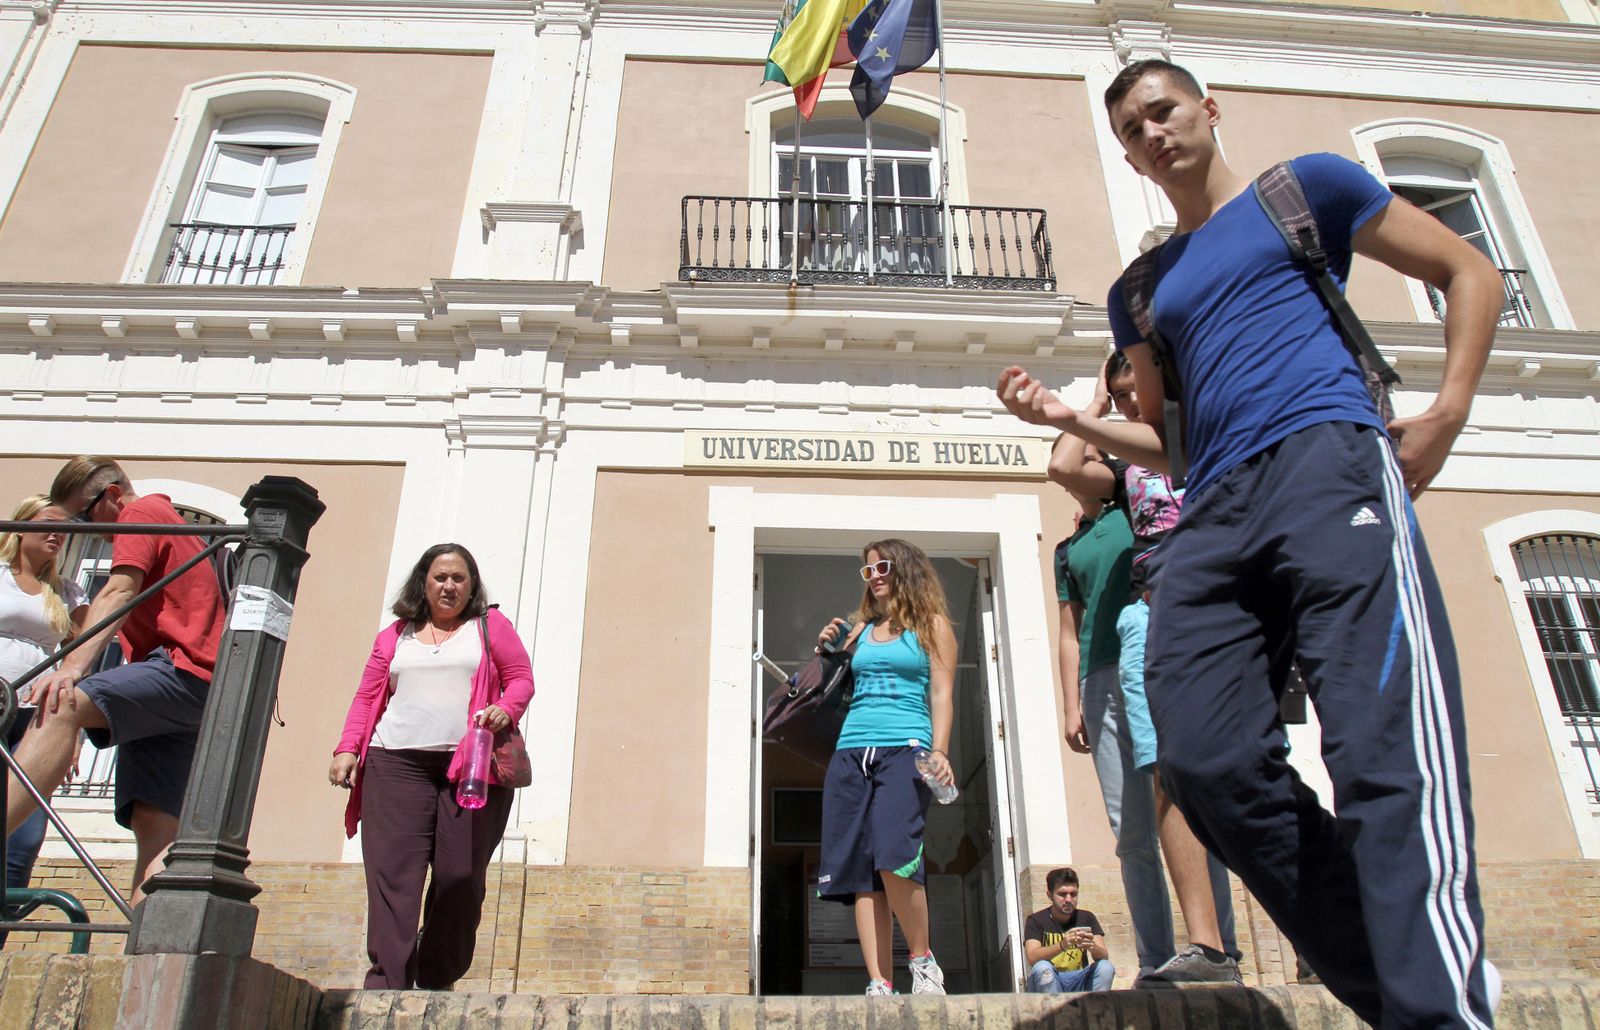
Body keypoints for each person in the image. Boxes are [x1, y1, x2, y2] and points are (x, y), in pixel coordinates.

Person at [998, 58, 1500, 1027]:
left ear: (1206, 108)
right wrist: (1072, 416)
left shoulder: (1304, 188)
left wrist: (1450, 408)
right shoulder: (1139, 293)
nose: (1151, 134)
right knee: (1200, 758)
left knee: (1380, 753)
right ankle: (1397, 985)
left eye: (1162, 111)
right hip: (1214, 506)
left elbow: (1464, 270)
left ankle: (1437, 1010)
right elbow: (1170, 443)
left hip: (1329, 464)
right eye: (1131, 131)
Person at [1050, 355, 1240, 986]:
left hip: (1194, 626)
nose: (1130, 403)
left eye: (1138, 391)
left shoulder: (1133, 500)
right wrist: (1096, 403)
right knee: (1136, 826)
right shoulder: (1079, 533)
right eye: (1122, 393)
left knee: (1197, 791)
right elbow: (1069, 630)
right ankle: (1166, 957)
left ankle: (1221, 947)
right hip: (1119, 663)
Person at [7, 458, 226, 904]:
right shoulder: (164, 517)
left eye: (83, 517)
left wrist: (72, 670)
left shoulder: (139, 513)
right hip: (184, 689)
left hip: (182, 671)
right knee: (156, 824)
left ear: (111, 496)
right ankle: (148, 952)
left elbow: (119, 591)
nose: (82, 530)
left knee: (62, 703)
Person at [330, 543, 535, 990]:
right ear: (423, 582)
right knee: (393, 878)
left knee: (460, 876)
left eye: (459, 578)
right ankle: (388, 982)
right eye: (440, 577)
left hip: (471, 769)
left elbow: (521, 678)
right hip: (394, 763)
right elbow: (368, 696)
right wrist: (348, 748)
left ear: (472, 586)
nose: (449, 586)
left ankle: (436, 974)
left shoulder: (489, 627)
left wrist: (505, 708)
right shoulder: (395, 635)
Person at [814, 538, 957, 996]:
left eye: (883, 567)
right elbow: (830, 686)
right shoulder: (859, 628)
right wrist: (827, 651)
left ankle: (922, 960)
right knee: (860, 869)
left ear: (907, 570)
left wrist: (941, 750)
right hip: (851, 751)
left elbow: (942, 693)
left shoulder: (932, 626)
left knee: (896, 853)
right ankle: (879, 981)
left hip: (906, 749)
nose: (874, 576)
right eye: (868, 571)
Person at [0, 497, 89, 904]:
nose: (58, 533)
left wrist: (74, 735)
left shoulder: (68, 592)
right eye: (48, 524)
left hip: (37, 716)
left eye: (65, 527)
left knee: (23, 839)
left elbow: (83, 660)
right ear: (18, 527)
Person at [1024, 867, 1114, 993]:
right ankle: (1053, 1011)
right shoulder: (1036, 920)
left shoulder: (1086, 917)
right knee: (1042, 968)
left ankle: (1095, 1010)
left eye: (1073, 894)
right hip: (1050, 980)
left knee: (1106, 967)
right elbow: (1032, 957)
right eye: (1062, 894)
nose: (1068, 900)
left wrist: (1092, 947)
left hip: (1078, 979)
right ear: (1049, 895)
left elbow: (1104, 956)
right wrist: (1063, 945)